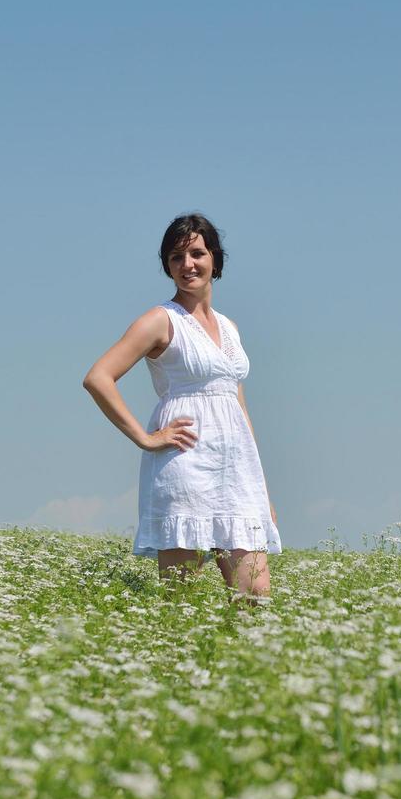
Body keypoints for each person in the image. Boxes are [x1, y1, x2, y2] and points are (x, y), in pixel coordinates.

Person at [82, 213, 280, 604]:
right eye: (176, 257)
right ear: (167, 266)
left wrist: (262, 489)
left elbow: (235, 400)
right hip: (184, 464)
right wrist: (144, 437)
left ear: (215, 261)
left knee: (255, 596)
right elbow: (98, 377)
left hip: (236, 471)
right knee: (181, 598)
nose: (187, 264)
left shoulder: (230, 327)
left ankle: (242, 666)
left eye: (196, 253)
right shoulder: (160, 320)